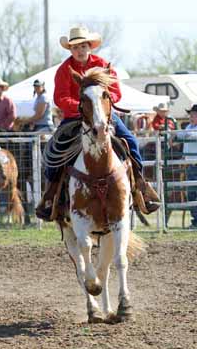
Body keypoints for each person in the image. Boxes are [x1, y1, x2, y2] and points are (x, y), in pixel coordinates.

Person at [35, 26, 161, 220]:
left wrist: (98, 105)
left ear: (89, 47)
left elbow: (116, 92)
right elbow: (60, 98)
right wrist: (84, 107)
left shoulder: (102, 65)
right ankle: (50, 195)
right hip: (75, 116)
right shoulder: (63, 70)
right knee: (54, 149)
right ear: (70, 49)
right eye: (76, 47)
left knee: (131, 141)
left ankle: (141, 187)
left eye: (83, 46)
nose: (80, 50)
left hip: (103, 115)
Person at [176, 104, 197, 229]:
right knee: (191, 193)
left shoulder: (190, 129)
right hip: (190, 165)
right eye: (191, 114)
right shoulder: (189, 127)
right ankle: (195, 221)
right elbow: (182, 135)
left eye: (194, 114)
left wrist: (179, 135)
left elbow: (189, 136)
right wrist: (175, 136)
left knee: (194, 192)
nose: (191, 117)